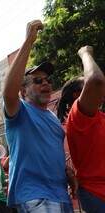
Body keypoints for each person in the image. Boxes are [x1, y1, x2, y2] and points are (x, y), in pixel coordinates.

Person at [3, 19, 72, 212]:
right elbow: (9, 92)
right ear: (23, 91)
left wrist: (66, 171)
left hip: (61, 195)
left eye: (48, 80)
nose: (46, 83)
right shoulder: (20, 111)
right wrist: (29, 41)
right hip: (34, 197)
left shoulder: (53, 120)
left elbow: (50, 154)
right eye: (38, 80)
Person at [64, 46, 105, 212]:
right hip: (98, 195)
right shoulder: (79, 115)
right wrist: (85, 53)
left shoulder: (99, 116)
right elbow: (95, 80)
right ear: (77, 95)